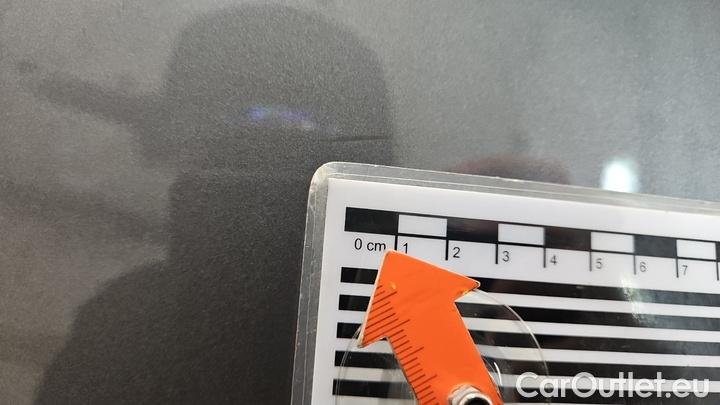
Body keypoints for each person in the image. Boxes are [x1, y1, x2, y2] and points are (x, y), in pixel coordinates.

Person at [35, 5, 394, 404]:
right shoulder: (121, 325)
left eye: (296, 145)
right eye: (239, 147)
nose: (262, 192)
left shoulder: (122, 323)